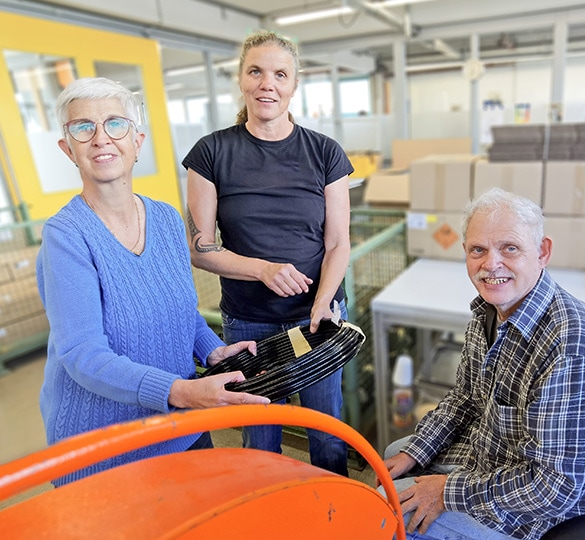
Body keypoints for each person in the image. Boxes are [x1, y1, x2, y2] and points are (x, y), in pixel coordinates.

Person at [37, 77, 269, 487]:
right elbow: (82, 354)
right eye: (83, 127)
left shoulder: (163, 218)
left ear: (137, 140)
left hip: (180, 427)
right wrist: (180, 391)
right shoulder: (66, 236)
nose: (100, 139)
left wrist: (212, 350)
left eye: (115, 123)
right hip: (106, 446)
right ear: (67, 148)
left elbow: (183, 310)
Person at [382, 188, 585, 540]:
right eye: (478, 250)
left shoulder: (572, 350)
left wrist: (444, 491)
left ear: (542, 252)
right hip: (501, 454)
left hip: (547, 515)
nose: (490, 264)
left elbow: (555, 487)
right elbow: (466, 398)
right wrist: (417, 450)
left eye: (510, 248)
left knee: (384, 512)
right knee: (398, 454)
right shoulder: (490, 311)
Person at [182, 30, 353, 476]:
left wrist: (322, 303)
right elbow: (201, 249)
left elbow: (337, 242)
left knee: (325, 427)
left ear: (294, 85)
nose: (267, 84)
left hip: (315, 316)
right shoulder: (211, 152)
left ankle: (332, 514)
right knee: (258, 432)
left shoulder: (325, 153)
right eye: (255, 71)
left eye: (280, 74)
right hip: (248, 320)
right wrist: (261, 269)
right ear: (241, 79)